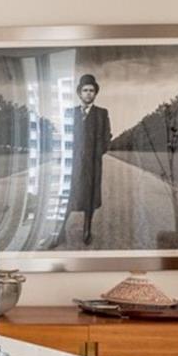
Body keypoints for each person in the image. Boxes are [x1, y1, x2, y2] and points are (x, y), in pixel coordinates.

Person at [68, 73, 111, 244]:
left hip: (93, 164)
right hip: (73, 163)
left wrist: (97, 153)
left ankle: (87, 230)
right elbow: (65, 136)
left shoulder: (101, 113)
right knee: (68, 194)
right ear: (79, 93)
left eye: (91, 90)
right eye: (85, 90)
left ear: (95, 93)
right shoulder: (69, 112)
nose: (88, 93)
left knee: (90, 195)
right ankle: (59, 231)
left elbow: (107, 136)